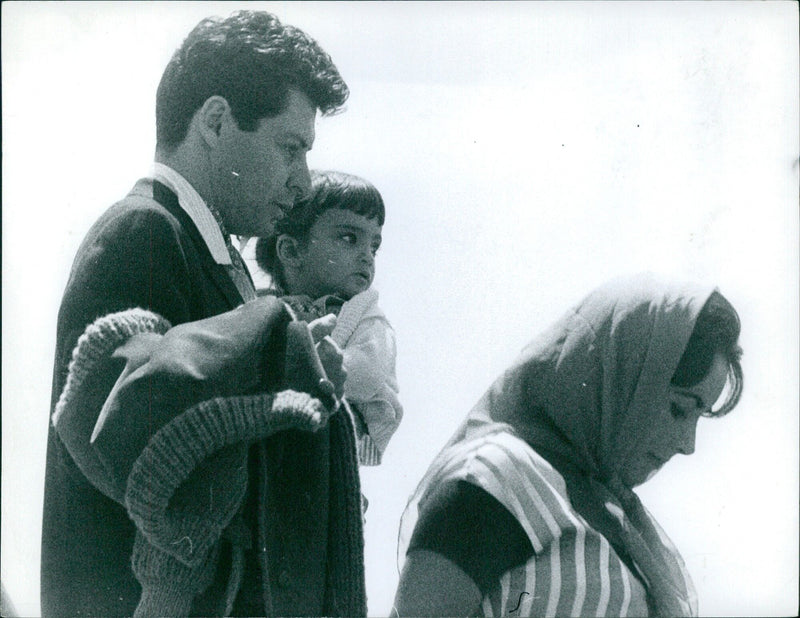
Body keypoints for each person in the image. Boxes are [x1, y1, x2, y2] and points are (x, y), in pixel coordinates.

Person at [41, 10, 366, 616]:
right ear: (216, 121)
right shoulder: (143, 234)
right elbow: (125, 454)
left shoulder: (207, 258)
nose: (303, 183)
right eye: (290, 148)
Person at [393, 273, 743, 617]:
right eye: (679, 409)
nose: (688, 444)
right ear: (621, 379)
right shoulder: (497, 479)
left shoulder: (623, 523)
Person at [255, 170, 403, 466]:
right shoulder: (260, 305)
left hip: (340, 440)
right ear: (292, 250)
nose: (367, 256)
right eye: (350, 238)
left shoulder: (365, 314)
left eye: (374, 246)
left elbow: (365, 374)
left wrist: (300, 359)